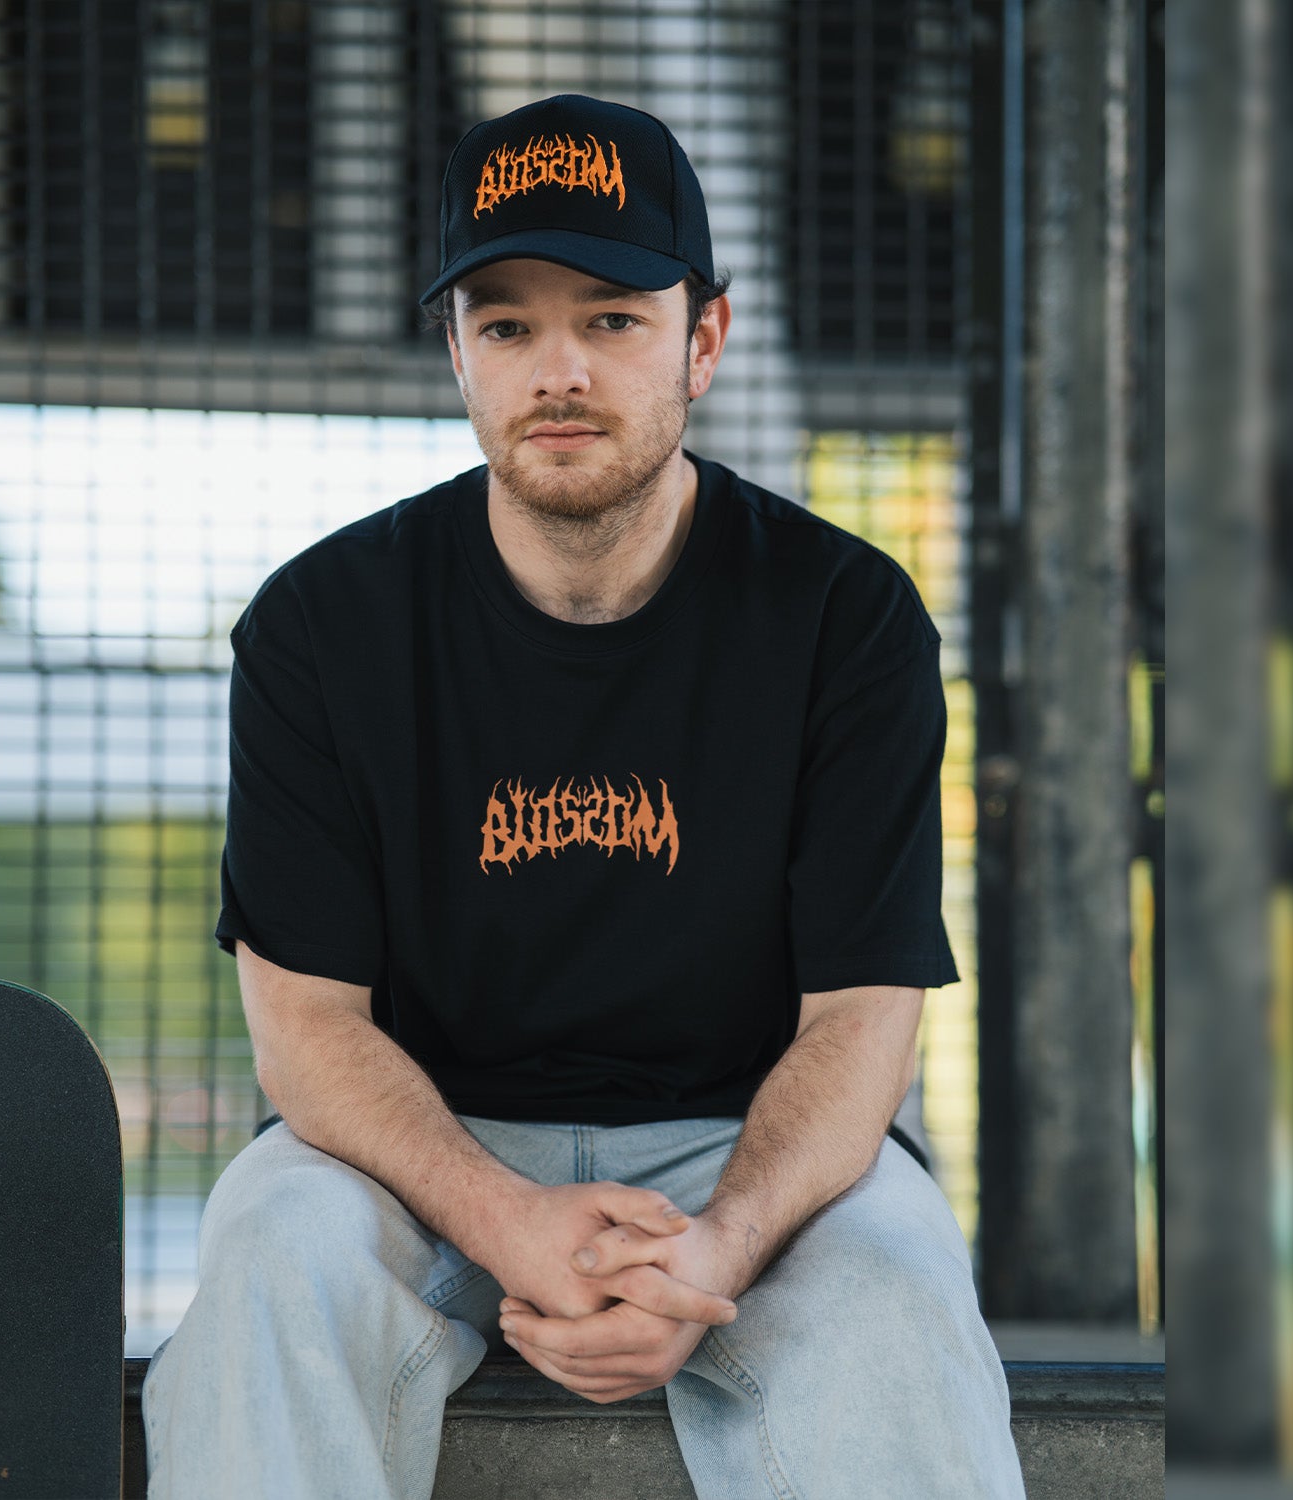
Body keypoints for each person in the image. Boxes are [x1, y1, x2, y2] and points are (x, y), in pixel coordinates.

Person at [142, 94, 1026, 1499]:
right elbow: (306, 1032)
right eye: (507, 324)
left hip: (750, 1148)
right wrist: (507, 1221)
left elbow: (863, 1023)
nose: (558, 367)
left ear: (705, 339)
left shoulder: (844, 616)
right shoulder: (322, 626)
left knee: (898, 1302)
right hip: (413, 1153)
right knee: (269, 1262)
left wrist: (717, 1251)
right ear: (458, 352)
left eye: (613, 317)